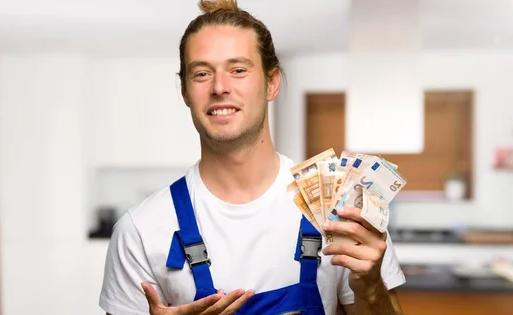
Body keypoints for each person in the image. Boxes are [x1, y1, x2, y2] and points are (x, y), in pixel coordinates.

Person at [99, 0, 406, 314]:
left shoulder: (341, 208)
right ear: (185, 92)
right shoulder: (141, 230)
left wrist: (370, 289)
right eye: (202, 73)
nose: (220, 87)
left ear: (271, 83)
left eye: (238, 70)